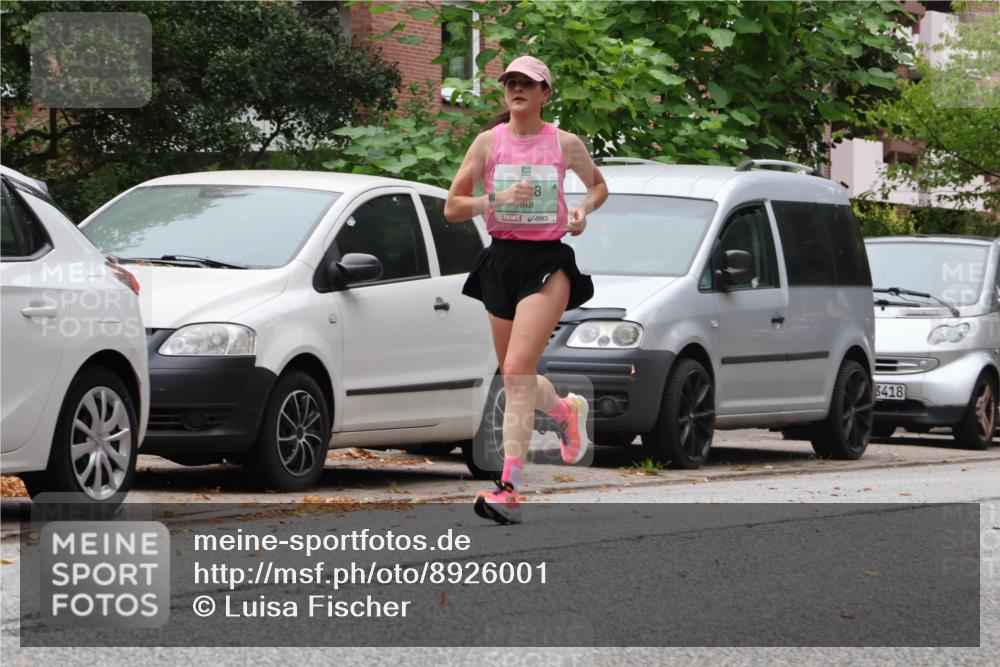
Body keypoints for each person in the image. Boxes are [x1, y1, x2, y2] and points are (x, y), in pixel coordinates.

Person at [444, 55, 608, 524]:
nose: (517, 89)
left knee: (516, 370)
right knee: (515, 374)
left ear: (544, 94)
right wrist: (495, 198)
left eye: (527, 83)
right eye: (510, 82)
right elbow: (453, 208)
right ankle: (563, 411)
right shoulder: (486, 143)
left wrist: (581, 211)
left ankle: (509, 488)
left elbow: (599, 187)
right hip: (501, 260)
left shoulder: (564, 143)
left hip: (547, 261)